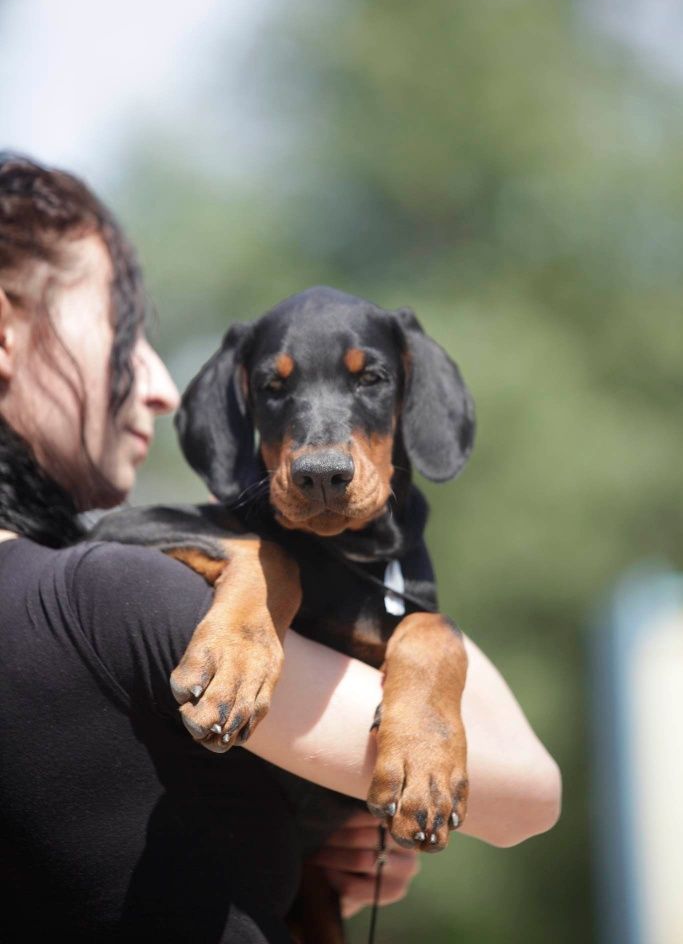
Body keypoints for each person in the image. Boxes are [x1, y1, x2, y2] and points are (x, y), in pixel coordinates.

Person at [0, 153, 561, 942]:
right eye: (277, 388)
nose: (323, 456)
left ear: (406, 395)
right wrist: (260, 567)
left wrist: (424, 653)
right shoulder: (115, 594)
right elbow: (528, 795)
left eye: (367, 384)